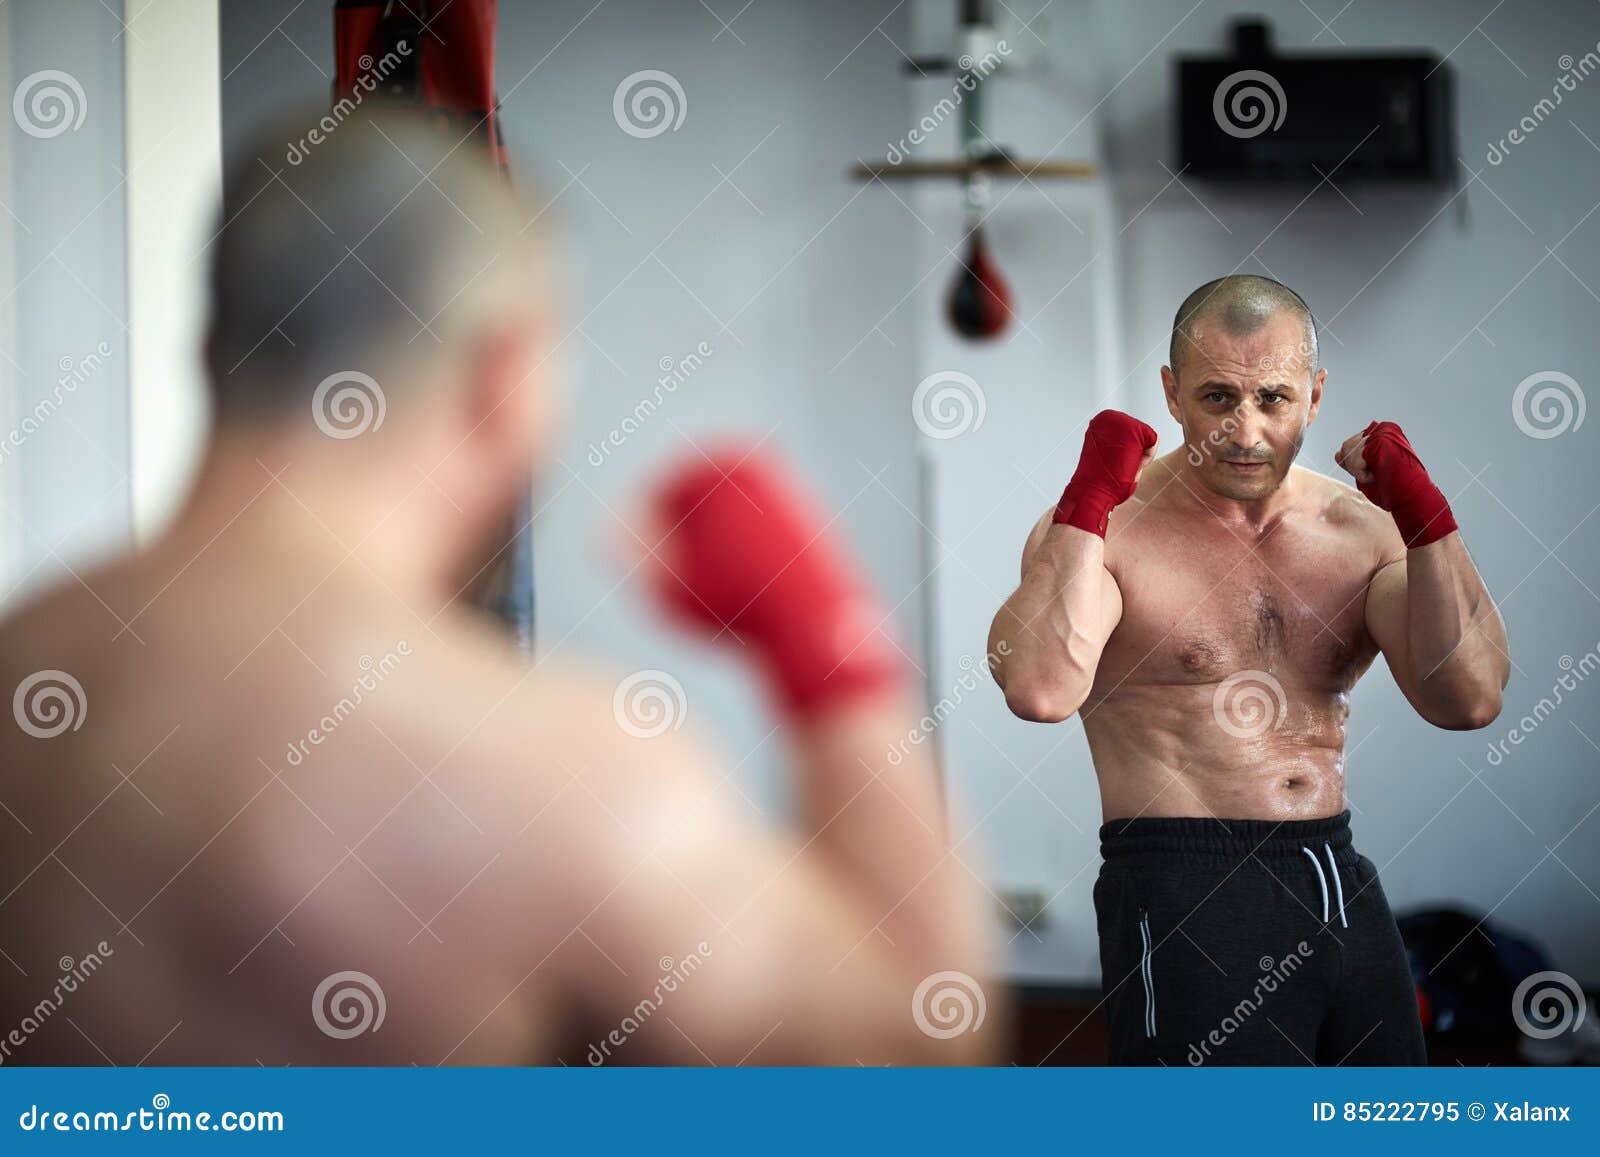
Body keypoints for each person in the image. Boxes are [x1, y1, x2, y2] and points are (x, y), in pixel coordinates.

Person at [0, 109, 1001, 1066]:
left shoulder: (26, 659)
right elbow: (919, 1037)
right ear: (503, 377)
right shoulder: (551, 770)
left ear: (213, 353)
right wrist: (824, 639)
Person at [988, 274, 1508, 1065]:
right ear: (1170, 393)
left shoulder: (1361, 531)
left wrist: (1427, 517)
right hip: (1180, 883)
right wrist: (1087, 498)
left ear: (1315, 394)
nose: (1246, 430)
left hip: (1336, 873)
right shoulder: (1107, 533)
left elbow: (1468, 697)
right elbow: (1039, 688)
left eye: (1272, 398)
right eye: (1217, 397)